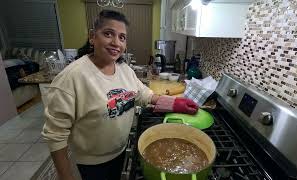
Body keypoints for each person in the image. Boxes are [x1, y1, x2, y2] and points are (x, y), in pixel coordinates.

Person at [41, 10, 199, 180]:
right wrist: (65, 176)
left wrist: (176, 104)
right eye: (108, 34)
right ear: (93, 37)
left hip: (122, 151)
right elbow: (55, 134)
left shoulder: (124, 69)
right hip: (91, 164)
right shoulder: (71, 78)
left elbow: (144, 95)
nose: (116, 42)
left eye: (122, 37)